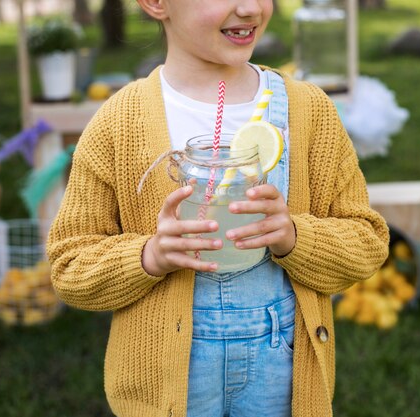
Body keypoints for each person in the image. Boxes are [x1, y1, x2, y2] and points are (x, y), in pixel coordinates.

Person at [46, 0, 389, 415]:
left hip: (279, 374)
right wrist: (148, 256)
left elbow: (367, 241)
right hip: (165, 384)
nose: (249, 8)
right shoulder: (119, 122)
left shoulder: (308, 112)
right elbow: (70, 266)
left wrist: (296, 237)